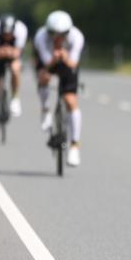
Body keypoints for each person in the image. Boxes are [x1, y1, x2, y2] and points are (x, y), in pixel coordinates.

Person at [33, 10, 85, 167]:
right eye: (53, 34)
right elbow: (46, 63)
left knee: (70, 101)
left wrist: (65, 56)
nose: (57, 38)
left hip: (68, 63)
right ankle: (45, 109)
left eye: (62, 34)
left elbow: (73, 63)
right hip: (49, 62)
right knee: (44, 77)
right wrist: (54, 59)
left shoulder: (77, 37)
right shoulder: (41, 37)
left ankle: (74, 146)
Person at [0, 14, 28, 128]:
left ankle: (15, 98)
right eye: (4, 34)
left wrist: (6, 51)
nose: (6, 36)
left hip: (12, 55)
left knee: (15, 69)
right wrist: (6, 51)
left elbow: (17, 53)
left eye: (9, 34)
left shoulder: (21, 30)